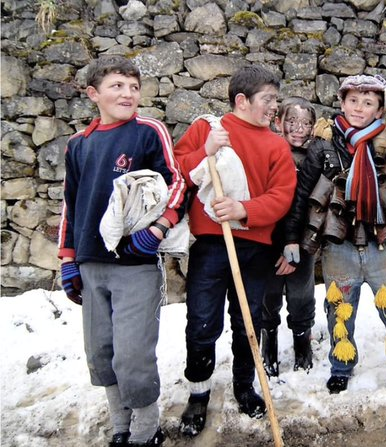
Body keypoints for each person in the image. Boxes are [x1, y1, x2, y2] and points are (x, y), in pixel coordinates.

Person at [58, 55, 186, 446]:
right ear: (93, 94)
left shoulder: (148, 131)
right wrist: (68, 259)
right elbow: (70, 204)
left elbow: (177, 183)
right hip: (90, 264)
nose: (128, 94)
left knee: (132, 356)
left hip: (136, 263)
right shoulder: (78, 144)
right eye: (117, 86)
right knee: (101, 353)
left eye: (134, 87)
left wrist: (158, 229)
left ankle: (146, 432)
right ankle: (120, 426)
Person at [285, 74, 386, 394]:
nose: (358, 108)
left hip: (380, 243)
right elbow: (302, 194)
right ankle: (341, 364)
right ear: (341, 103)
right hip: (339, 244)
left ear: (379, 110)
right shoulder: (324, 146)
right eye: (352, 100)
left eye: (368, 103)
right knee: (339, 308)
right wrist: (292, 237)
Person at [173, 65, 297, 436]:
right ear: (242, 100)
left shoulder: (276, 145)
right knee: (202, 320)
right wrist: (206, 152)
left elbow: (282, 195)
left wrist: (244, 209)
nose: (274, 107)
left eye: (276, 99)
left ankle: (244, 386)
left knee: (248, 322)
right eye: (268, 99)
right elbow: (178, 172)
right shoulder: (207, 130)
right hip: (212, 245)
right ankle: (198, 393)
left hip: (255, 248)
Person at [261, 97, 318, 376]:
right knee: (268, 294)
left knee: (301, 295)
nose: (298, 129)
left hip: (304, 241)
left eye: (305, 123)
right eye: (292, 122)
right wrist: (282, 243)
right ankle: (268, 342)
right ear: (278, 122)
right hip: (268, 239)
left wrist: (299, 243)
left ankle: (302, 344)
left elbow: (313, 204)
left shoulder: (316, 158)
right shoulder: (267, 153)